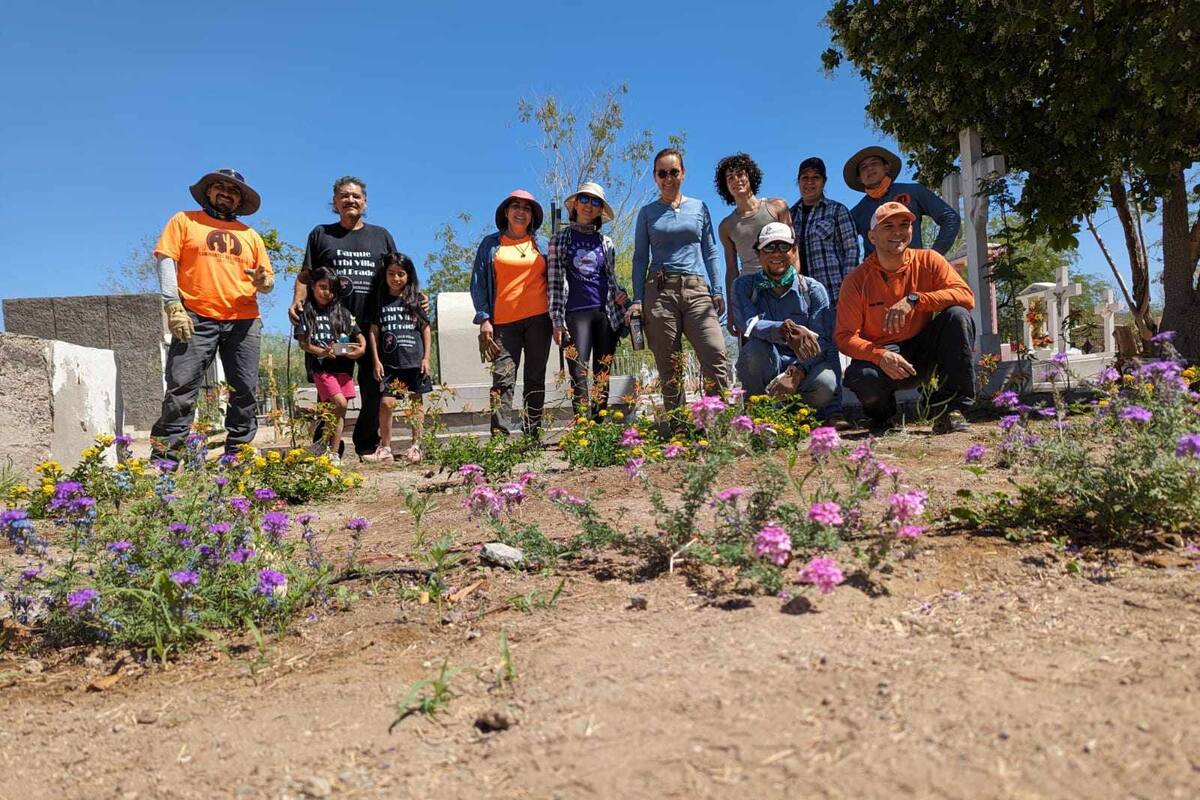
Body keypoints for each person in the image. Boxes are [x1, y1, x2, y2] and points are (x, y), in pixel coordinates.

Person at [151, 168, 273, 459]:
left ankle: (237, 456)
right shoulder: (184, 220)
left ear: (239, 201)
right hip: (195, 316)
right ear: (208, 191)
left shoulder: (251, 235)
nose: (226, 194)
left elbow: (267, 279)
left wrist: (263, 282)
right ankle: (165, 460)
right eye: (221, 187)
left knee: (245, 390)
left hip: (244, 321)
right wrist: (172, 304)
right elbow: (166, 260)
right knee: (181, 388)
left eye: (234, 192)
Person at [835, 202, 977, 434]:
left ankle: (950, 410)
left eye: (904, 224)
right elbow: (844, 337)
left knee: (957, 316)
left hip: (923, 352)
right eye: (888, 226)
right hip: (882, 356)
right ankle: (881, 418)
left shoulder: (929, 260)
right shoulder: (856, 281)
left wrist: (915, 299)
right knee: (862, 377)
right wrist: (880, 355)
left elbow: (966, 297)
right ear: (872, 237)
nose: (898, 232)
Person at [289, 176, 397, 459]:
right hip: (331, 329)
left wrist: (414, 297)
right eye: (344, 196)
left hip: (371, 327)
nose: (351, 200)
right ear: (335, 202)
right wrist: (298, 300)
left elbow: (397, 273)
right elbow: (306, 276)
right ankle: (326, 448)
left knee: (374, 387)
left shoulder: (381, 236)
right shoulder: (321, 234)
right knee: (330, 389)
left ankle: (367, 444)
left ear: (365, 202)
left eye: (356, 196)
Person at [627, 148, 729, 414]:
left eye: (673, 172)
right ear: (655, 177)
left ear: (683, 173)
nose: (668, 178)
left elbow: (710, 251)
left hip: (696, 290)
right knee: (669, 366)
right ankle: (678, 426)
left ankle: (718, 423)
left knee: (715, 352)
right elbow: (640, 258)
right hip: (660, 293)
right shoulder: (647, 213)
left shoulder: (699, 207)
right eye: (662, 174)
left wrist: (717, 289)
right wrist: (637, 300)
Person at [470, 189, 552, 439]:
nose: (520, 212)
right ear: (506, 212)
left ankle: (532, 434)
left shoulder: (543, 244)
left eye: (527, 208)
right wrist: (484, 318)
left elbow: (557, 279)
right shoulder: (491, 244)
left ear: (532, 216)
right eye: (515, 206)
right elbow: (478, 284)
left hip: (540, 321)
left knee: (535, 378)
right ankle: (500, 438)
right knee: (503, 378)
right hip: (503, 325)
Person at [731, 223, 839, 413]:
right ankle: (760, 413)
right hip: (767, 364)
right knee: (754, 350)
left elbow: (823, 341)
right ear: (758, 254)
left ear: (795, 251)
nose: (776, 253)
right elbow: (748, 324)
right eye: (769, 248)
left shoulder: (813, 290)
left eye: (784, 246)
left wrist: (798, 371)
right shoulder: (744, 286)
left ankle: (806, 414)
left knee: (826, 383)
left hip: (804, 368)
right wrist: (782, 329)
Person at [547, 181, 629, 418]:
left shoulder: (606, 243)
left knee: (602, 373)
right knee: (578, 372)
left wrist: (621, 293)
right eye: (584, 199)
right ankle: (583, 426)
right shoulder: (559, 240)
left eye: (595, 201)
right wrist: (557, 321)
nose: (588, 205)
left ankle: (599, 426)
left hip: (605, 314)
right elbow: (554, 282)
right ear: (575, 205)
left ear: (600, 210)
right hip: (575, 314)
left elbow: (610, 278)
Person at [789, 156, 859, 428]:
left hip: (831, 293)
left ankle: (834, 411)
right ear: (798, 182)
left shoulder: (837, 211)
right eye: (804, 178)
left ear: (824, 181)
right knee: (801, 349)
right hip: (799, 298)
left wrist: (846, 290)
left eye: (815, 178)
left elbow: (851, 251)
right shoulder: (790, 215)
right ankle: (803, 412)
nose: (809, 183)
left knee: (828, 349)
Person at [364, 253, 431, 463]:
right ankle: (385, 448)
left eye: (401, 274)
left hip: (414, 361)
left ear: (408, 275)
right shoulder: (379, 301)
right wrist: (376, 360)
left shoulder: (416, 300)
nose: (396, 278)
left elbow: (425, 328)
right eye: (391, 273)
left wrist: (426, 358)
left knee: (415, 403)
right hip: (390, 364)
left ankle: (416, 446)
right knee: (387, 403)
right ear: (384, 275)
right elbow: (373, 332)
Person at [294, 267, 366, 462]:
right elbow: (304, 343)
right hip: (322, 369)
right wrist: (322, 352)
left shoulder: (343, 313)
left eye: (332, 289)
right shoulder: (306, 312)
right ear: (313, 286)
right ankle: (325, 445)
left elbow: (359, 336)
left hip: (343, 369)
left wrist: (360, 349)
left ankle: (332, 453)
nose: (327, 293)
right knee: (339, 403)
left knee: (338, 412)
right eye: (323, 287)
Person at [714, 153, 791, 335]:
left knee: (789, 336)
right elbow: (731, 269)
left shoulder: (777, 207)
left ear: (750, 176)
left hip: (780, 285)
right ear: (725, 186)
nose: (736, 180)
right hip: (749, 293)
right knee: (753, 344)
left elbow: (792, 250)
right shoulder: (726, 226)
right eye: (730, 178)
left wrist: (795, 287)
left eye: (740, 174)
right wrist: (732, 311)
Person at [844, 146, 960, 257]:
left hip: (914, 268)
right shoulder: (855, 213)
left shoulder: (913, 191)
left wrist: (933, 256)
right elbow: (841, 243)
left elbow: (950, 217)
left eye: (874, 163)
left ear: (886, 168)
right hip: (874, 270)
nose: (869, 168)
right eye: (863, 167)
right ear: (859, 178)